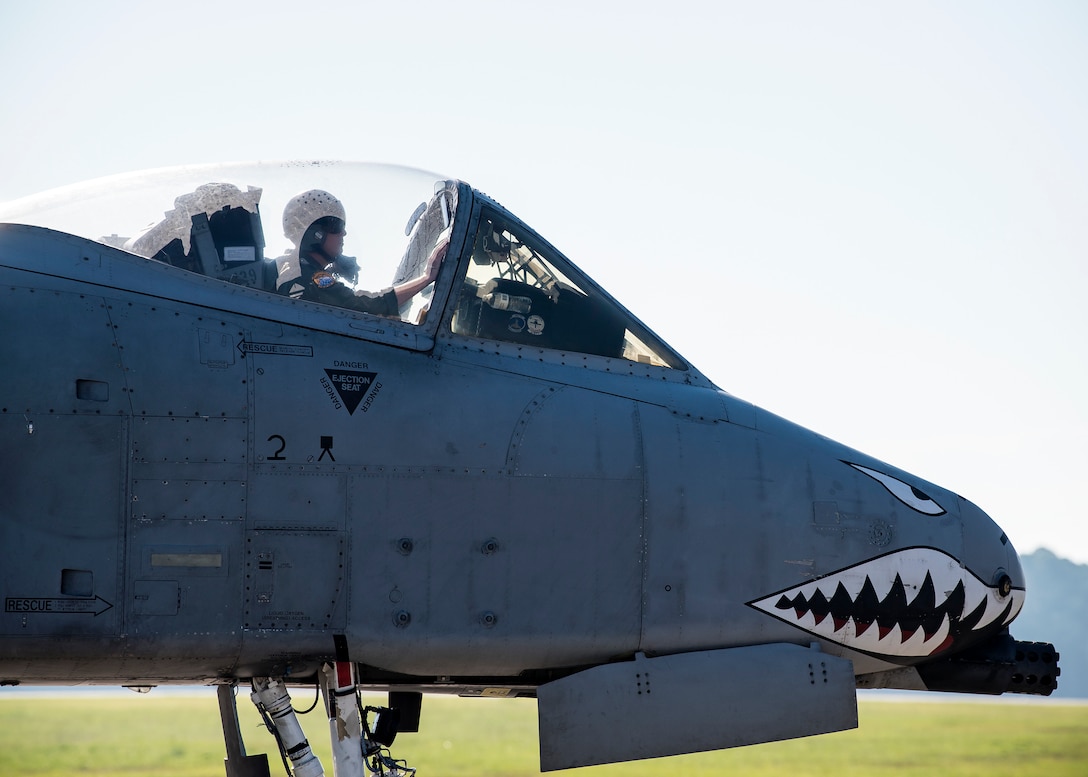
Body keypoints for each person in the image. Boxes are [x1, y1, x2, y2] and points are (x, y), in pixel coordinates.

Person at [279, 189, 446, 318]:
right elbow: (368, 306)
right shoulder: (312, 281)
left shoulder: (288, 269)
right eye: (337, 227)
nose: (343, 234)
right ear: (315, 234)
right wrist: (427, 277)